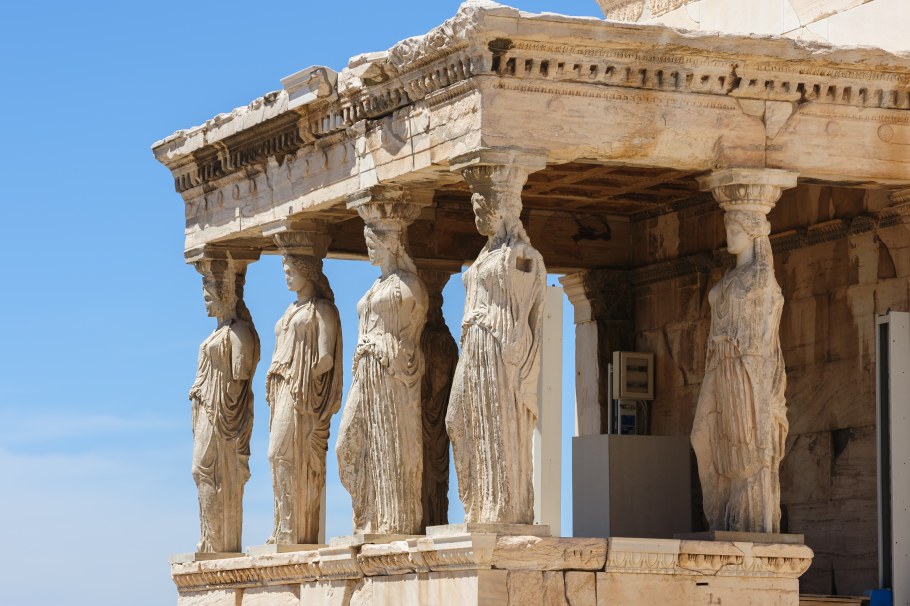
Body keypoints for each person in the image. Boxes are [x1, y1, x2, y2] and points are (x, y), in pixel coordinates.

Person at [446, 185, 545, 525]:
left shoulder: (521, 253)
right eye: (476, 208)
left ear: (503, 208)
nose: (478, 215)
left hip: (499, 344)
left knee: (499, 423)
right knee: (456, 420)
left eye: (483, 207)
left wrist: (516, 342)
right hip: (474, 343)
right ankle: (478, 504)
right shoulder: (484, 255)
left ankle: (503, 507)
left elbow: (530, 302)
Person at [692, 210, 788, 533]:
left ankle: (747, 519)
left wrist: (756, 376)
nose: (728, 235)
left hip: (746, 368)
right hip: (720, 363)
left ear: (752, 233)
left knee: (747, 446)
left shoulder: (761, 277)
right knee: (701, 435)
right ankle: (721, 512)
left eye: (735, 229)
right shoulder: (731, 277)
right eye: (728, 228)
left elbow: (767, 329)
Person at [336, 221, 427, 534]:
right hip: (365, 371)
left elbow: (413, 333)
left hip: (390, 372)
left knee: (390, 444)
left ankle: (393, 519)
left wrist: (396, 357)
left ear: (390, 243)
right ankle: (367, 513)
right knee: (347, 444)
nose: (369, 249)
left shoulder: (409, 284)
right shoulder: (377, 285)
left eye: (373, 242)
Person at [266, 254, 342, 545]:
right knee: (277, 457)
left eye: (291, 271)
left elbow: (326, 357)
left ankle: (294, 529)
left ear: (307, 272)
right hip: (281, 386)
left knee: (281, 453)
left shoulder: (322, 309)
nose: (286, 277)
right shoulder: (289, 310)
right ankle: (282, 526)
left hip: (301, 389)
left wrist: (304, 376)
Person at [189, 261, 259, 553]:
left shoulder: (239, 331)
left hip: (222, 412)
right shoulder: (219, 332)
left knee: (209, 469)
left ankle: (221, 541)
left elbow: (241, 375)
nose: (206, 301)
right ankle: (211, 539)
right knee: (202, 471)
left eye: (209, 295)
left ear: (225, 294)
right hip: (206, 406)